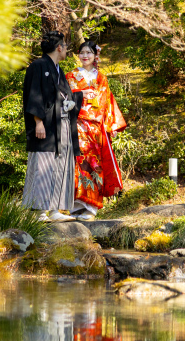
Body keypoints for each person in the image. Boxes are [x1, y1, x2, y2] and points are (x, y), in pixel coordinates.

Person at [22, 31, 84, 222]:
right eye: (65, 46)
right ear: (59, 48)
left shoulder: (57, 70)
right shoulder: (38, 66)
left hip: (62, 124)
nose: (66, 50)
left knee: (61, 164)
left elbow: (64, 95)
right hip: (45, 125)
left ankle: (55, 209)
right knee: (43, 164)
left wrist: (75, 100)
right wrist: (38, 122)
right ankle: (39, 211)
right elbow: (33, 95)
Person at [66, 41, 126, 221]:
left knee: (94, 163)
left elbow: (107, 102)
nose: (85, 56)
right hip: (76, 124)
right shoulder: (71, 76)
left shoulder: (101, 78)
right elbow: (65, 98)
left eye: (89, 53)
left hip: (95, 127)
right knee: (76, 162)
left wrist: (111, 125)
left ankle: (91, 207)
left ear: (95, 56)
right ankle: (76, 205)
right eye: (82, 53)